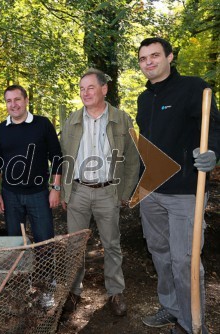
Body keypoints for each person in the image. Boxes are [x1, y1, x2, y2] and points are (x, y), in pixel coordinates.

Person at [137, 37, 220, 334]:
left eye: (155, 56)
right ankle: (171, 308)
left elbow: (213, 128)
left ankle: (191, 323)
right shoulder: (144, 99)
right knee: (159, 251)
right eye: (143, 58)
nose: (149, 62)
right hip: (150, 191)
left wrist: (212, 152)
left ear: (170, 57)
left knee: (185, 260)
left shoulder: (193, 88)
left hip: (186, 191)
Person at [59, 68, 140, 317]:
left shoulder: (122, 119)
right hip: (78, 192)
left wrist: (124, 192)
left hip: (108, 192)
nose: (85, 93)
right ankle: (73, 292)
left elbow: (132, 159)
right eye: (82, 89)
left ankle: (115, 292)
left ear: (104, 89)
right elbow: (63, 159)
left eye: (91, 87)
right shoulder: (72, 120)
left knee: (112, 245)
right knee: (75, 245)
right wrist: (64, 192)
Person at [0, 84, 62, 243]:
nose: (13, 104)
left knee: (45, 242)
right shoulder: (1, 130)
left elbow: (57, 157)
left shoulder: (42, 124)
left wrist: (55, 188)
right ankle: (20, 269)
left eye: (17, 99)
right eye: (9, 101)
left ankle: (46, 268)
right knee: (15, 243)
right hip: (10, 195)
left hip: (39, 194)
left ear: (26, 100)